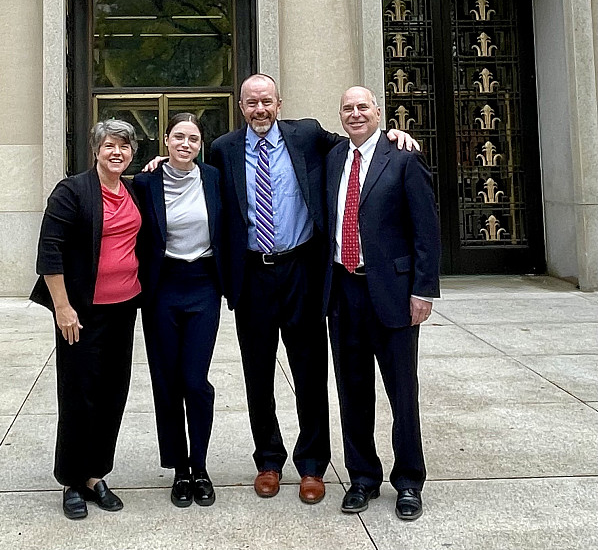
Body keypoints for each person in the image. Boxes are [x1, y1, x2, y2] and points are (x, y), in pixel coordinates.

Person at [207, 73, 417, 504]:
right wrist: (155, 165)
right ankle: (268, 458)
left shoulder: (306, 136)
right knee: (257, 373)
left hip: (302, 270)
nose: (259, 109)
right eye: (251, 103)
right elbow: (197, 185)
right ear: (241, 107)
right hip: (253, 275)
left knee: (310, 371)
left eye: (266, 101)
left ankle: (311, 464)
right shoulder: (224, 149)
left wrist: (394, 133)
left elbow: (357, 142)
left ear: (279, 103)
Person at [323, 86, 440, 521]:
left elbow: (426, 231)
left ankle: (409, 481)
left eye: (362, 107)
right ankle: (362, 478)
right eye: (347, 108)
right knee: (353, 392)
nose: (355, 114)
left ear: (379, 113)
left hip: (393, 293)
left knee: (402, 393)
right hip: (343, 291)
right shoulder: (334, 158)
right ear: (340, 116)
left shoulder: (404, 158)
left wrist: (423, 290)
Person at [30, 119, 142, 520]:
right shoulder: (73, 191)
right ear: (96, 149)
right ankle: (72, 481)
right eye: (110, 145)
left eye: (125, 147)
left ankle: (96, 475)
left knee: (113, 393)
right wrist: (62, 307)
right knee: (79, 396)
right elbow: (50, 252)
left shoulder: (131, 190)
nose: (117, 153)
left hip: (124, 308)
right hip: (81, 312)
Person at [132, 113, 224, 508]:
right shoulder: (144, 181)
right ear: (165, 141)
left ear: (200, 144)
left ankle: (200, 465)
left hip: (203, 285)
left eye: (193, 138)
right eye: (178, 137)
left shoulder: (215, 179)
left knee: (194, 380)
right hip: (162, 288)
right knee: (167, 381)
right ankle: (180, 469)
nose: (185, 144)